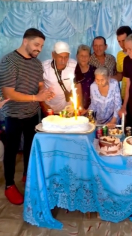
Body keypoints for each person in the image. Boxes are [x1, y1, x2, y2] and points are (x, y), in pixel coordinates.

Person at [0, 28, 54, 205]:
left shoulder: (36, 63)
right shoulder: (9, 61)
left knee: (32, 147)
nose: (39, 49)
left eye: (41, 46)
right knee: (12, 150)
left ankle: (27, 176)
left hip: (32, 114)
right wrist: (36, 97)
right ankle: (9, 185)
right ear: (25, 41)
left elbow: (39, 85)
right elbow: (8, 92)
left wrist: (44, 93)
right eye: (36, 44)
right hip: (14, 115)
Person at [41, 41, 77, 115]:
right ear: (53, 55)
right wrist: (44, 106)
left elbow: (78, 85)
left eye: (66, 57)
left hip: (69, 110)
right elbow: (39, 87)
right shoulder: (44, 66)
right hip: (50, 109)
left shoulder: (74, 65)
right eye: (60, 57)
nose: (63, 60)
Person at [74, 45, 97, 113]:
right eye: (81, 55)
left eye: (86, 56)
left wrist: (88, 109)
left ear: (90, 57)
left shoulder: (94, 71)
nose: (84, 58)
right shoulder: (73, 70)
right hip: (76, 107)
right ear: (77, 56)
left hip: (91, 108)